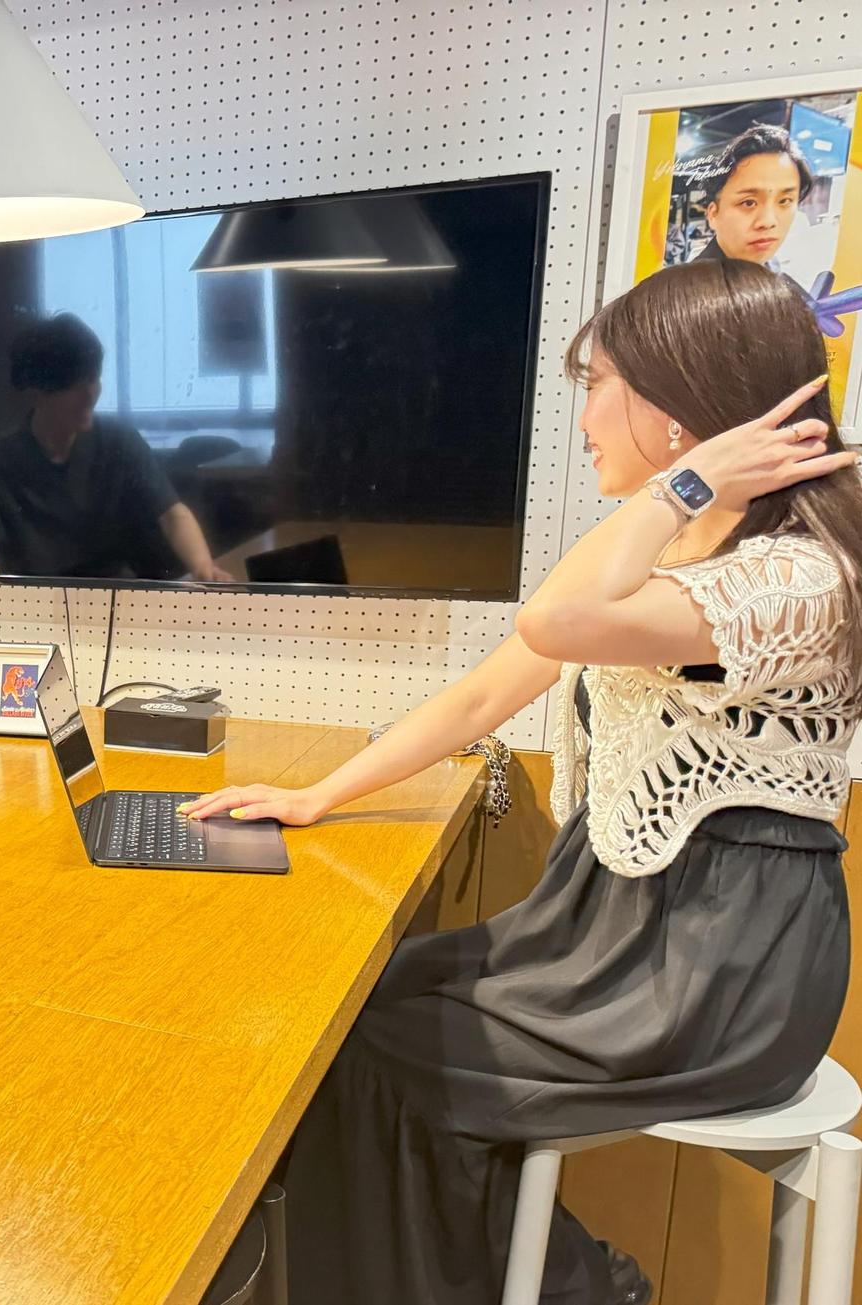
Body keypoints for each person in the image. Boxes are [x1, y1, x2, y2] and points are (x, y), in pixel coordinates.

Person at [184, 259, 862, 1304]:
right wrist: (318, 797)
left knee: (382, 1051)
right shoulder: (671, 552)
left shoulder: (797, 579)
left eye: (599, 386)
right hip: (614, 926)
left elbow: (552, 623)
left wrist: (678, 487)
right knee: (354, 1003)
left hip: (721, 960)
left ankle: (571, 1289)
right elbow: (482, 695)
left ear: (679, 405)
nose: (582, 419)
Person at [0, 313, 231, 582]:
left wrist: (203, 566)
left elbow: (171, 513)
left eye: (93, 380)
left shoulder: (117, 440)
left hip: (117, 592)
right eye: (75, 386)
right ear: (36, 394)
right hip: (37, 599)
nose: (90, 394)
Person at [692, 123, 815, 273]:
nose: (768, 222)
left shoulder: (772, 265)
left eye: (784, 201)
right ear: (713, 214)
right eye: (749, 203)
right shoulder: (691, 285)